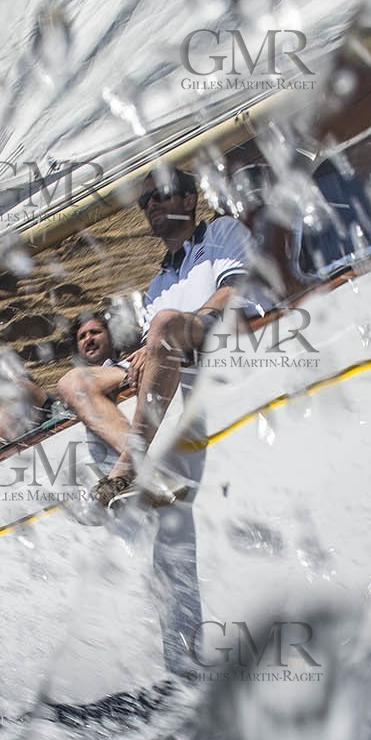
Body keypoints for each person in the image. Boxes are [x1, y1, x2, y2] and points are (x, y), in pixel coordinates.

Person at [57, 167, 264, 507]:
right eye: (143, 201)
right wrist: (149, 345)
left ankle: (126, 467)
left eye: (160, 194)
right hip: (167, 348)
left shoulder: (221, 232)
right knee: (71, 382)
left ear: (189, 198)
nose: (150, 204)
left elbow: (232, 291)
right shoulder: (156, 286)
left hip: (218, 332)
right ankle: (148, 469)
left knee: (165, 323)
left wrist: (168, 329)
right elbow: (152, 345)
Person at [0, 311, 120, 456]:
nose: (88, 339)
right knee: (20, 388)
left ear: (111, 337)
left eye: (95, 332)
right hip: (64, 416)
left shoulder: (126, 365)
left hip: (101, 408)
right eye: (82, 336)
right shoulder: (75, 378)